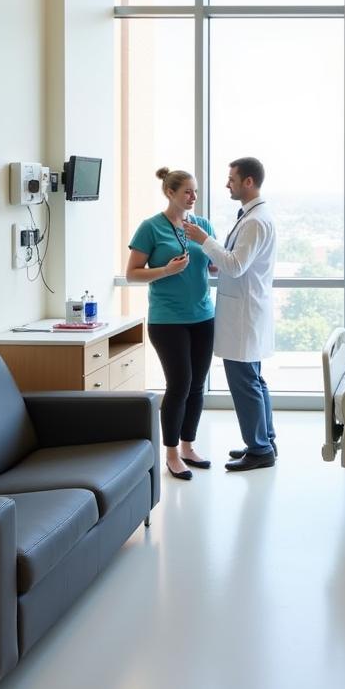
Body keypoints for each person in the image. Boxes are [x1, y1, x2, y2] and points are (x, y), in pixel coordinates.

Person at [183, 156, 278, 471]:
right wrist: (216, 261)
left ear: (248, 182)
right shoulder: (254, 216)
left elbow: (237, 266)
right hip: (247, 309)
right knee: (255, 380)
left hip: (244, 315)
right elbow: (237, 262)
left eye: (232, 179)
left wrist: (204, 240)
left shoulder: (254, 221)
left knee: (244, 382)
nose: (227, 184)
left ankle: (259, 449)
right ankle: (264, 441)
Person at [126, 167, 216, 481]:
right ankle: (172, 453)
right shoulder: (150, 228)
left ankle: (189, 446)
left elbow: (215, 265)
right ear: (170, 193)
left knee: (197, 385)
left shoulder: (201, 225)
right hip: (168, 320)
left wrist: (214, 251)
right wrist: (165, 270)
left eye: (195, 191)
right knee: (179, 384)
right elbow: (132, 273)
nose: (193, 197)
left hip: (203, 316)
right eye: (187, 192)